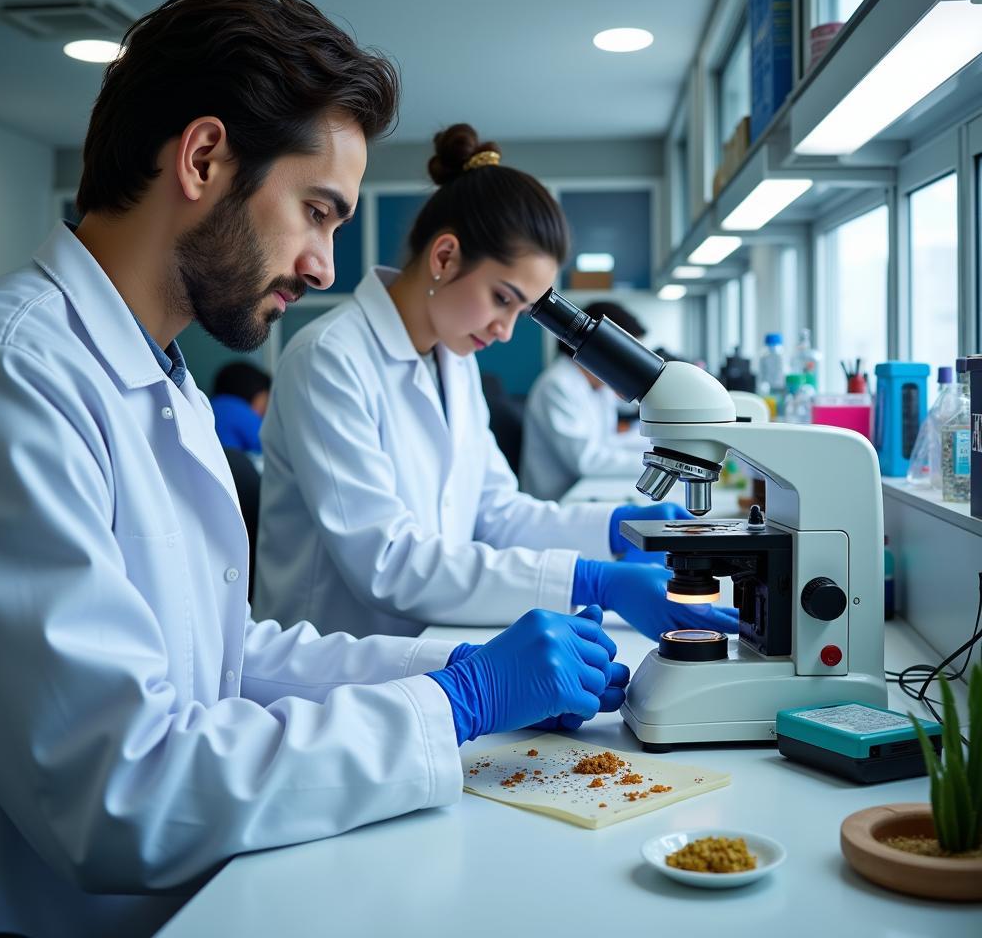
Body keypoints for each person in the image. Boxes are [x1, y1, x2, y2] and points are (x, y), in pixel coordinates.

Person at [0, 0, 632, 938]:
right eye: (316, 211)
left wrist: (463, 671)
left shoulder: (165, 382)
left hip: (210, 878)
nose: (323, 264)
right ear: (202, 158)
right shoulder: (6, 373)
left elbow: (230, 658)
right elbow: (119, 786)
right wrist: (458, 700)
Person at [254, 124, 738, 643]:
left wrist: (617, 529)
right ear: (444, 257)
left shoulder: (454, 359)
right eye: (502, 298)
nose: (505, 331)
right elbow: (387, 561)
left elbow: (496, 512)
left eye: (522, 310)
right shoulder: (329, 358)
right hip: (332, 670)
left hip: (434, 640)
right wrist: (589, 580)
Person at [520, 300, 654, 501]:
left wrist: (660, 451)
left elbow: (608, 442)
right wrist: (656, 464)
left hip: (585, 490)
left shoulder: (599, 386)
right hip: (557, 501)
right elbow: (587, 460)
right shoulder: (557, 385)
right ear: (603, 348)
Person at [210, 359, 271, 454]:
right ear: (253, 389)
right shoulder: (237, 410)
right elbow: (272, 448)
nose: (267, 410)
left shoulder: (212, 405)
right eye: (266, 400)